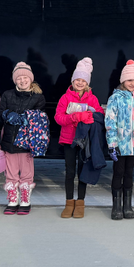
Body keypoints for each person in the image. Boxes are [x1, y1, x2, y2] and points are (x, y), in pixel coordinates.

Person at [55, 57, 101, 219]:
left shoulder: (93, 99)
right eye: (77, 80)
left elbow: (99, 115)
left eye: (83, 80)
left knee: (82, 172)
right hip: (69, 141)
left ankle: (80, 203)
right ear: (72, 81)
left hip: (84, 141)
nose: (80, 83)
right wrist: (75, 117)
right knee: (70, 172)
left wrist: (89, 115)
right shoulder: (65, 98)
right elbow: (58, 118)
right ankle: (69, 203)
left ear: (87, 83)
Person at [105, 59, 134, 220]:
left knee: (129, 173)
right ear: (123, 81)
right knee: (118, 172)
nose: (132, 83)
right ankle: (116, 207)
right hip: (119, 144)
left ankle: (127, 206)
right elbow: (110, 122)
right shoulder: (115, 98)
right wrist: (112, 144)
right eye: (129, 80)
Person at [0, 61, 46, 215]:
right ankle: (13, 199)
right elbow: (0, 111)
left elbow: (41, 116)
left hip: (27, 141)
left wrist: (27, 118)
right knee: (11, 172)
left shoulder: (38, 97)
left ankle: (25, 199)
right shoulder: (7, 94)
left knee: (26, 171)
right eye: (19, 78)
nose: (22, 80)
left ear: (31, 79)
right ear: (15, 80)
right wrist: (7, 115)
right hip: (9, 141)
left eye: (25, 78)